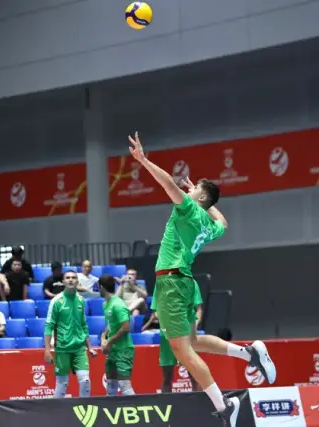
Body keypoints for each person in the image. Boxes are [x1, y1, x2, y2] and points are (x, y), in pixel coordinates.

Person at [128, 131, 276, 426]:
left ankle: (224, 406)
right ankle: (248, 353)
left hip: (171, 283)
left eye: (195, 187)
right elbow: (223, 221)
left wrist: (143, 160)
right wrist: (206, 202)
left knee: (182, 351)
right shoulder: (209, 225)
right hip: (184, 281)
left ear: (201, 197)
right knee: (193, 341)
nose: (190, 188)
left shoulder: (188, 211)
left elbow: (168, 183)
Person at [43, 270, 96, 398]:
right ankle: (57, 409)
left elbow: (83, 325)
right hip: (62, 348)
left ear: (77, 281)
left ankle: (84, 407)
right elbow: (49, 326)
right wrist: (47, 350)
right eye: (67, 278)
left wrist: (90, 347)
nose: (71, 280)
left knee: (85, 381)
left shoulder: (81, 300)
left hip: (79, 348)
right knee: (62, 385)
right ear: (63, 282)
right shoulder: (56, 301)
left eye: (73, 277)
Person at [151, 280, 204, 393]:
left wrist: (194, 326)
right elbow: (156, 312)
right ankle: (167, 403)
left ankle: (197, 402)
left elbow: (198, 309)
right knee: (167, 377)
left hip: (187, 335)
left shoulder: (192, 283)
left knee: (194, 375)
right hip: (168, 336)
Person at [99, 274, 135, 396]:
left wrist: (109, 342)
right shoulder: (105, 304)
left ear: (101, 288)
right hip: (112, 350)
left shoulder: (118, 304)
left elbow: (125, 328)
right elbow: (110, 324)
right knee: (111, 385)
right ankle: (111, 408)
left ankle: (135, 407)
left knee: (124, 386)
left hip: (123, 350)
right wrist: (103, 337)